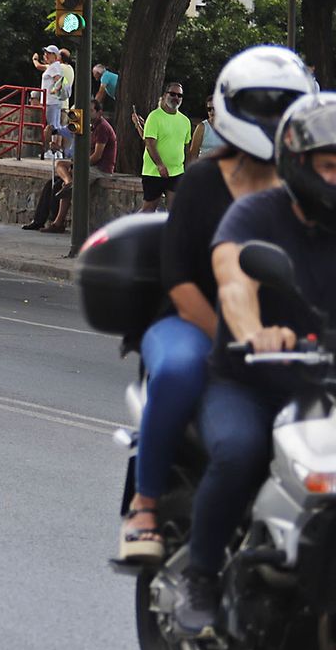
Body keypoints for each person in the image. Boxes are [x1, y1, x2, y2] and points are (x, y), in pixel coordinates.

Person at [117, 46, 314, 568]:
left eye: (285, 105)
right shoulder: (203, 181)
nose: (272, 118)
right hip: (188, 319)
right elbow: (180, 280)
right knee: (182, 371)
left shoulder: (306, 189)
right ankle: (145, 505)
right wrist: (234, 336)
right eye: (261, 105)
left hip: (277, 331)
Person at [174, 90, 336, 634]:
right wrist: (254, 333)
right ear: (299, 163)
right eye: (331, 165)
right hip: (248, 381)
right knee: (239, 451)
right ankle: (200, 575)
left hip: (323, 386)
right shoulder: (255, 213)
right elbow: (234, 278)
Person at [26, 98, 119, 233]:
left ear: (99, 113)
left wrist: (77, 165)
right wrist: (53, 133)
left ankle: (59, 222)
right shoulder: (85, 126)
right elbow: (67, 135)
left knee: (63, 186)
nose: (87, 114)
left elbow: (97, 156)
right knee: (54, 182)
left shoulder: (102, 128)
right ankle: (43, 219)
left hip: (99, 168)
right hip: (84, 164)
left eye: (91, 111)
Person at [140, 80, 190, 211]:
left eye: (179, 96)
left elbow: (186, 147)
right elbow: (149, 143)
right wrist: (160, 165)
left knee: (175, 211)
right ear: (165, 95)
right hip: (154, 172)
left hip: (177, 172)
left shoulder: (185, 121)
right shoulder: (154, 117)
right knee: (148, 209)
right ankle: (133, 230)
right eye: (172, 94)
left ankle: (170, 232)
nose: (176, 98)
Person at [32, 45, 69, 156]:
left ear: (55, 56)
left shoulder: (54, 67)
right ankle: (56, 152)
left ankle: (49, 150)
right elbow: (39, 66)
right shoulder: (54, 66)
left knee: (51, 126)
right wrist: (35, 60)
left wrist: (54, 91)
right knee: (55, 126)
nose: (46, 55)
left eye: (48, 53)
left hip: (50, 101)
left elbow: (58, 81)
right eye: (45, 53)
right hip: (54, 101)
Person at [188, 94, 227, 161]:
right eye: (209, 109)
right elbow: (193, 153)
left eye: (214, 108)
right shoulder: (202, 127)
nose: (212, 112)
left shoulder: (228, 128)